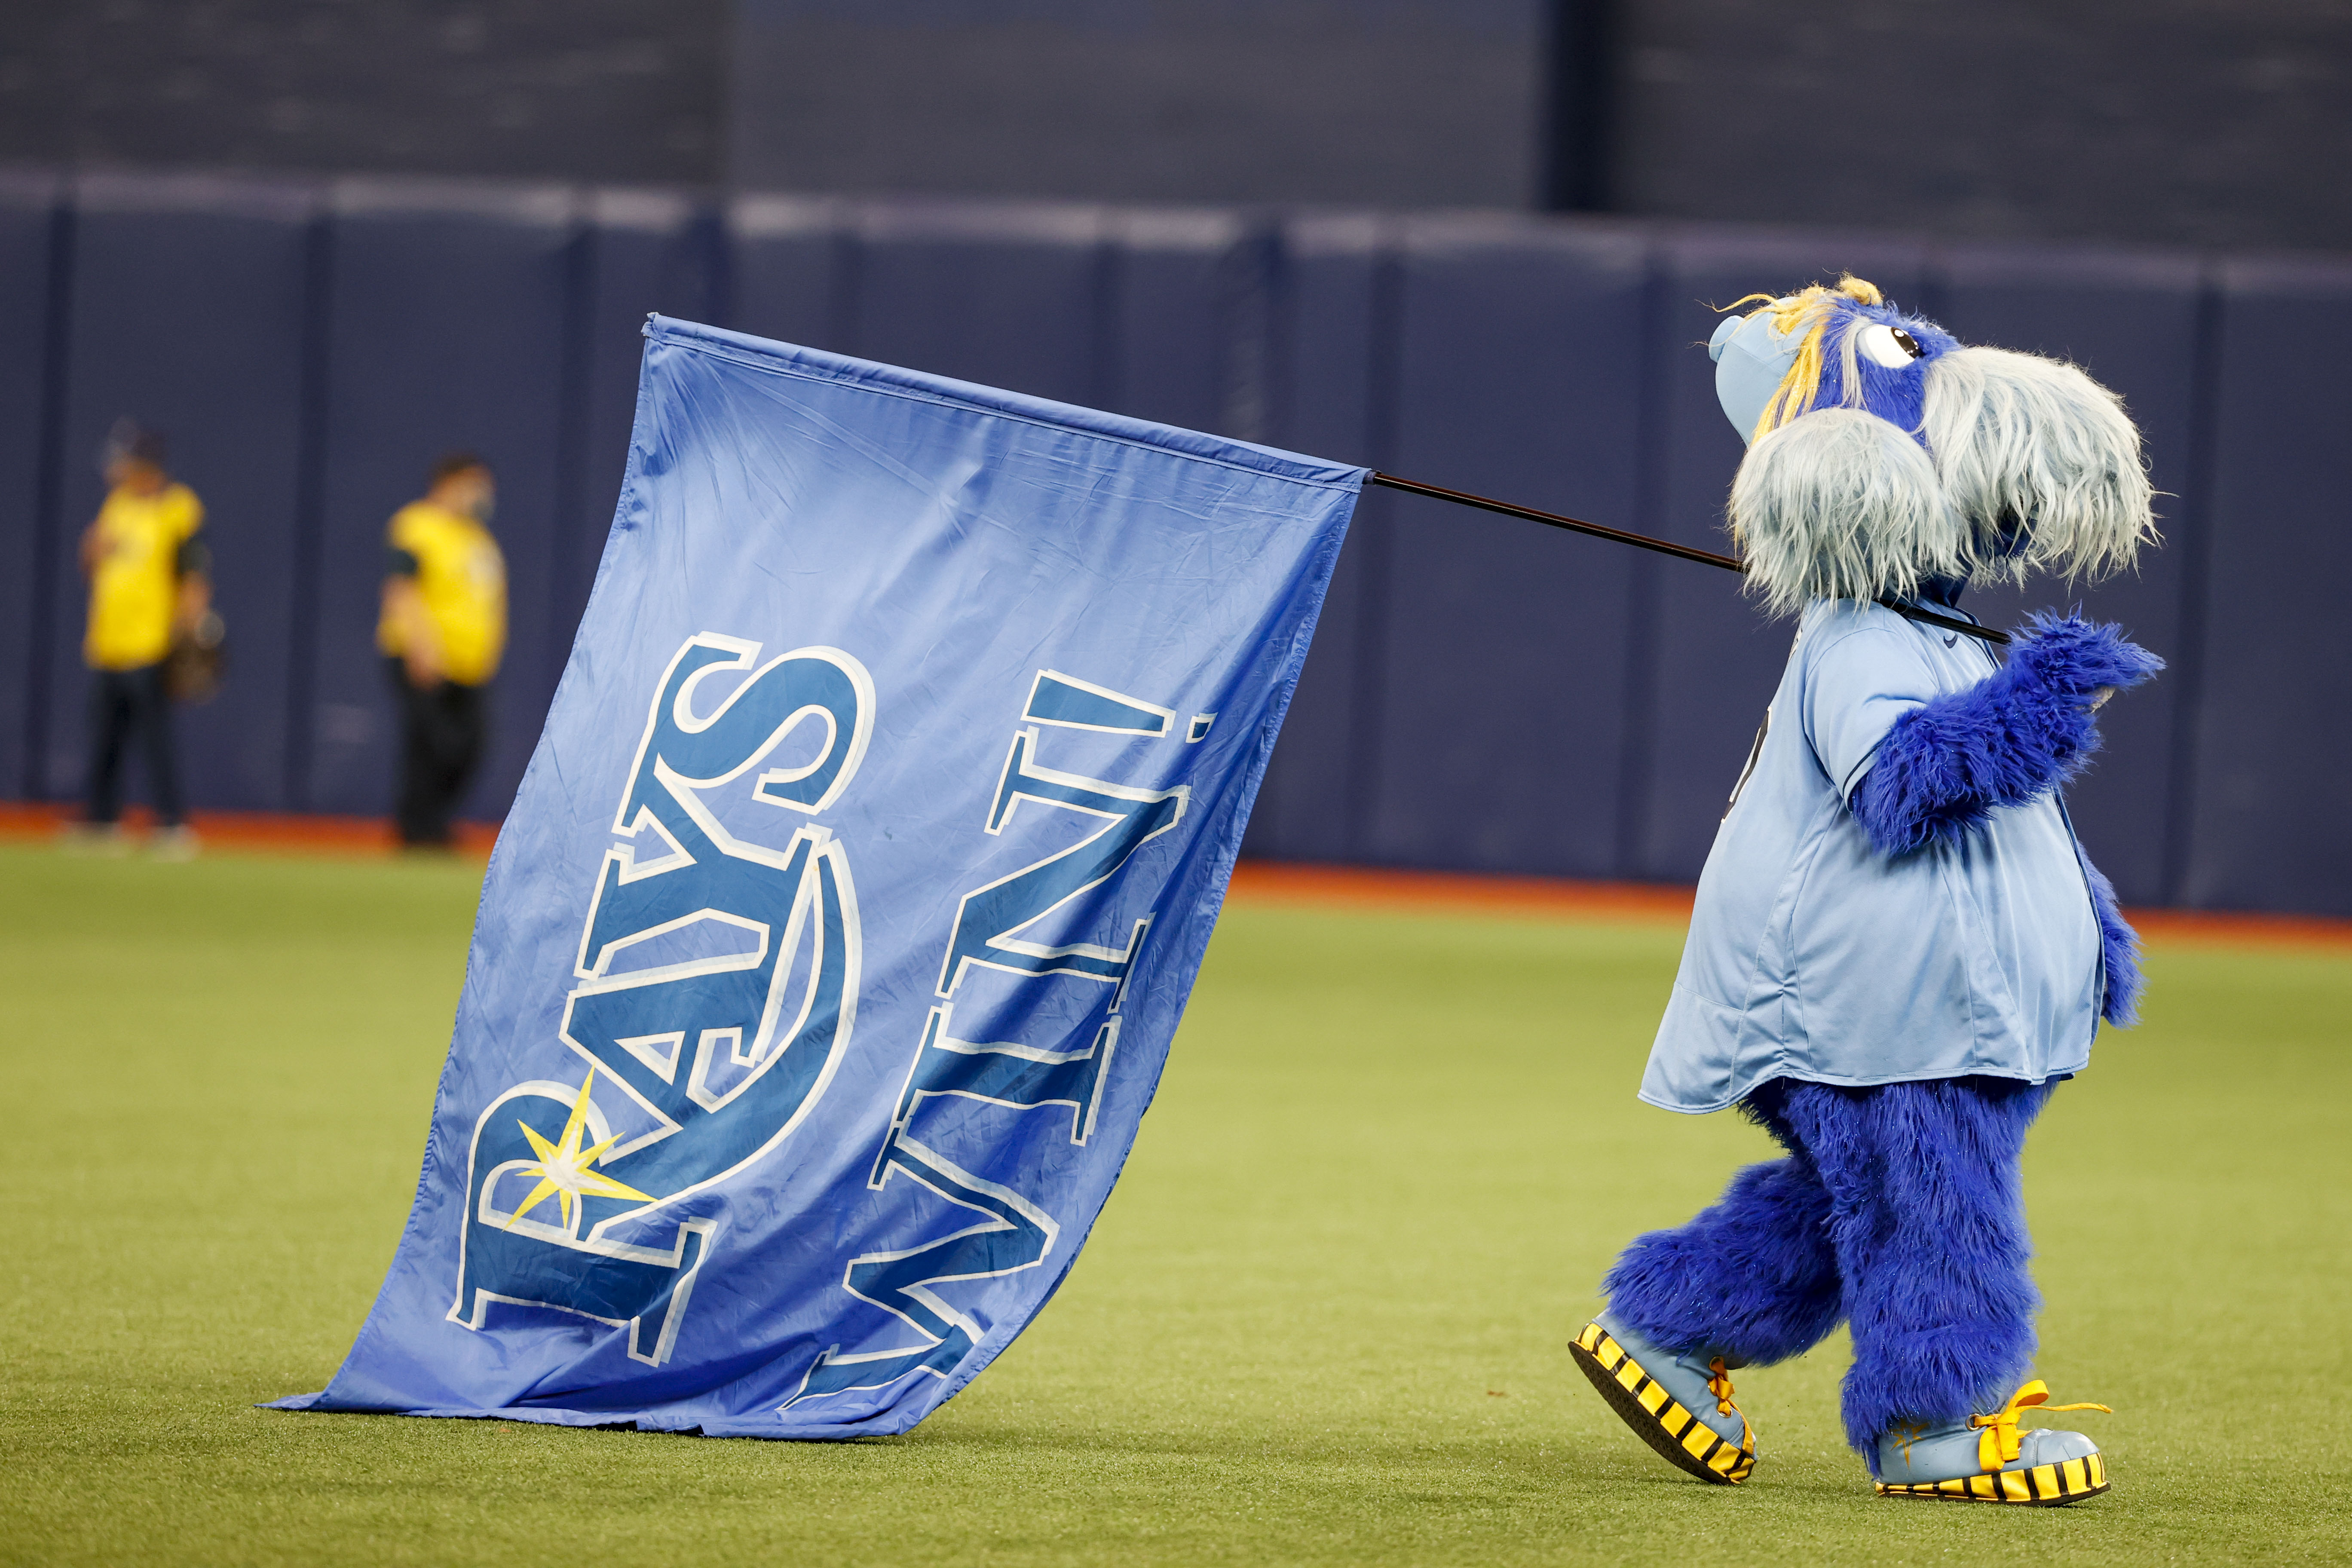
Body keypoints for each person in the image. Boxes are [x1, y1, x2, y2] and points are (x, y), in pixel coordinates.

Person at [1570, 278, 2158, 1505]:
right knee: (1937, 1212)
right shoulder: (1857, 643)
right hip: (1869, 1010)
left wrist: (2086, 933)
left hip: (1932, 1008)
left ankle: (1665, 1328)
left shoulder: (1931, 636)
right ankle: (1935, 1425)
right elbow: (1906, 786)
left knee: (1866, 1204)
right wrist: (2050, 694)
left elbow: (2014, 846)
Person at [76, 422, 209, 859]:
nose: (115, 468)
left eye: (124, 460)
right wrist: (92, 550)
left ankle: (172, 825)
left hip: (152, 642)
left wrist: (190, 632)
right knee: (105, 737)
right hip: (108, 641)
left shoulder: (177, 507)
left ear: (144, 464)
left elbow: (192, 575)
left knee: (156, 741)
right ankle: (101, 821)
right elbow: (93, 563)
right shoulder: (117, 505)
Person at [378, 452, 507, 848]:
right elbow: (401, 589)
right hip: (427, 658)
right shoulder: (418, 525)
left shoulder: (478, 538)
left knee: (470, 747)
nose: (482, 494)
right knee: (429, 747)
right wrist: (422, 647)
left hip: (470, 668)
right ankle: (417, 830)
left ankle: (434, 823)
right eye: (473, 484)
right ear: (448, 483)